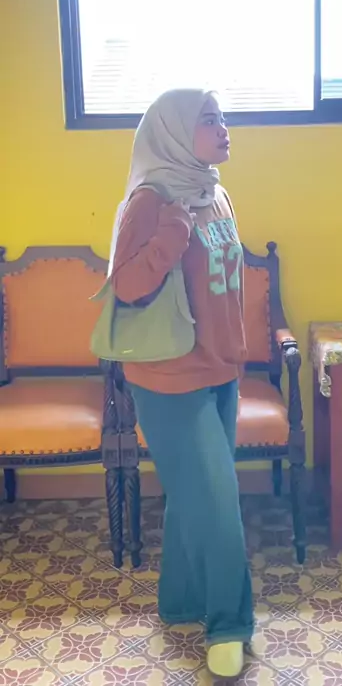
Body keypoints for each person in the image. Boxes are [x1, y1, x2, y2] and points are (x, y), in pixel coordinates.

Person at [109, 89, 253, 678]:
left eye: (223, 118)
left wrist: (236, 355)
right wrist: (172, 231)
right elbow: (125, 287)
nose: (223, 128)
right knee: (217, 502)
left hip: (220, 368)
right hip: (167, 376)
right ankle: (229, 626)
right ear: (172, 132)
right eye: (208, 120)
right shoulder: (152, 199)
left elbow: (228, 286)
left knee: (195, 495)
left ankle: (181, 602)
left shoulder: (215, 192)